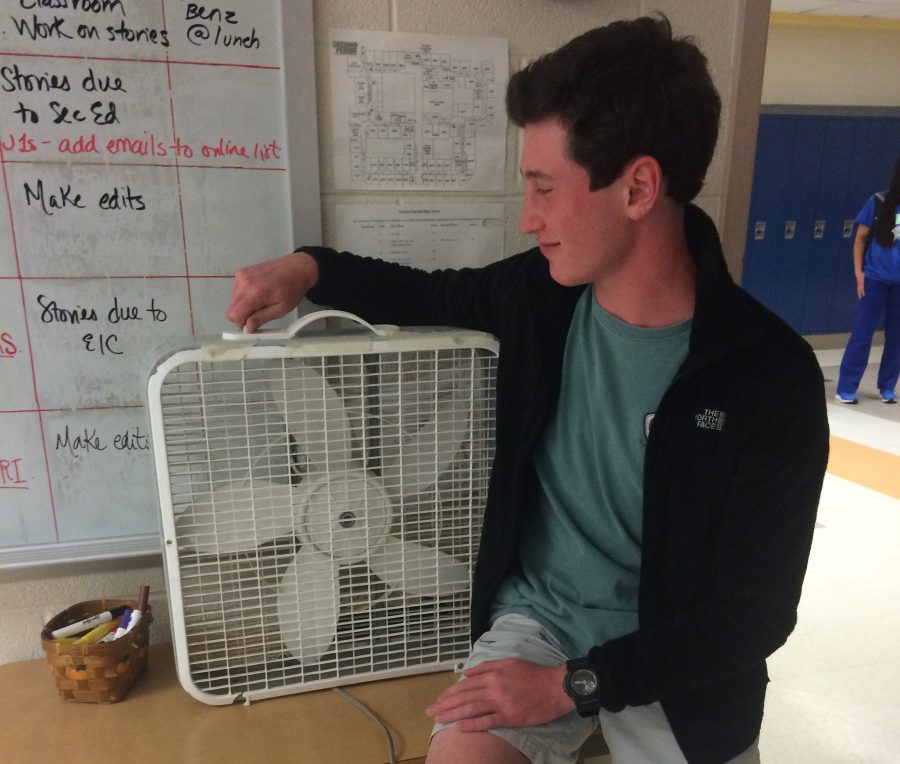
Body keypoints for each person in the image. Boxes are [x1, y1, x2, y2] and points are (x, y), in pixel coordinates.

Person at [227, 15, 829, 764]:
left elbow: (754, 614)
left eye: (544, 188)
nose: (526, 217)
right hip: (541, 618)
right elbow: (427, 294)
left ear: (638, 187)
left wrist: (575, 686)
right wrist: (308, 269)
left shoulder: (768, 373)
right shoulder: (539, 296)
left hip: (682, 657)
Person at [835, 158, 900, 405]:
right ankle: (846, 387)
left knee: (896, 337)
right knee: (863, 333)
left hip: (899, 283)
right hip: (874, 278)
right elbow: (860, 238)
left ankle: (887, 387)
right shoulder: (879, 202)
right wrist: (859, 273)